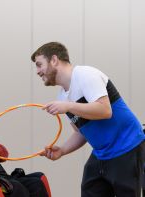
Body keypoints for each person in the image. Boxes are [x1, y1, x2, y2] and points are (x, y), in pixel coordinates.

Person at [31, 42, 145, 197]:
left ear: (54, 60)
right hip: (101, 154)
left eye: (39, 65)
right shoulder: (62, 96)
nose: (37, 71)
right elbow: (82, 132)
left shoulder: (85, 75)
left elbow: (105, 110)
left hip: (127, 147)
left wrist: (69, 106)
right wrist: (62, 150)